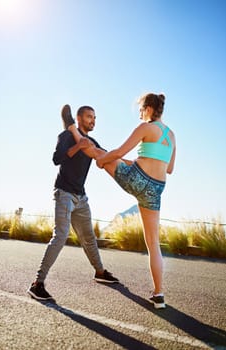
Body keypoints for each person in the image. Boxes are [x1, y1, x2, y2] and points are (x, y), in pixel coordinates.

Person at [62, 93, 176, 309]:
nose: (141, 114)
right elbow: (169, 169)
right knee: (153, 243)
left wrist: (103, 160)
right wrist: (125, 160)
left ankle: (71, 128)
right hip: (156, 189)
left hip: (136, 178)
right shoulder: (172, 136)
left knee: (98, 152)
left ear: (149, 108)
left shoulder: (145, 127)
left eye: (141, 110)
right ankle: (159, 295)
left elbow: (119, 151)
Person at [27, 105, 119, 301]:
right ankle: (37, 284)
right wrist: (78, 145)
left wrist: (127, 162)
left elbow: (104, 155)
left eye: (95, 117)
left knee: (89, 238)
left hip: (81, 197)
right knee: (60, 236)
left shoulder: (92, 141)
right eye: (89, 117)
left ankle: (100, 272)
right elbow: (56, 159)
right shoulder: (66, 136)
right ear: (78, 118)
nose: (93, 120)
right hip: (64, 193)